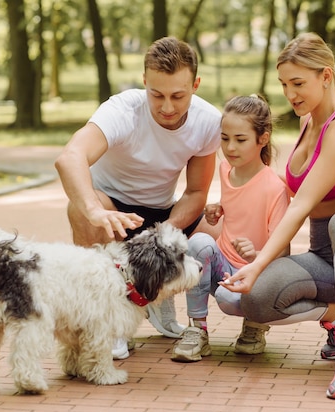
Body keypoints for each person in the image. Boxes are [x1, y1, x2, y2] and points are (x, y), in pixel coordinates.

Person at [219, 32, 335, 400]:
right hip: (326, 255)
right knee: (254, 301)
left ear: (325, 76)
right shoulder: (308, 122)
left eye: (298, 83)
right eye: (284, 84)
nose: (290, 94)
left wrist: (258, 262)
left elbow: (302, 203)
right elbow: (285, 193)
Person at [54, 36, 222, 360]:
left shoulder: (208, 121)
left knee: (220, 238)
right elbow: (70, 157)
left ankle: (156, 294)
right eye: (156, 94)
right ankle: (105, 323)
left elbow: (197, 191)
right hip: (113, 206)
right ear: (144, 81)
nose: (167, 107)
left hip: (164, 210)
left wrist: (165, 234)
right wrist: (94, 211)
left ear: (196, 84)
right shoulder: (122, 110)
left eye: (178, 95)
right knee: (79, 209)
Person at [171, 95, 289, 363]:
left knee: (228, 298)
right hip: (223, 266)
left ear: (263, 139)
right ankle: (197, 330)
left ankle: (255, 326)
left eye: (240, 139)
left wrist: (256, 253)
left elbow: (282, 252)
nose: (230, 147)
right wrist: (219, 207)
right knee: (198, 242)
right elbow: (240, 202)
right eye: (224, 139)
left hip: (255, 274)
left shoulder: (275, 188)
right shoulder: (226, 169)